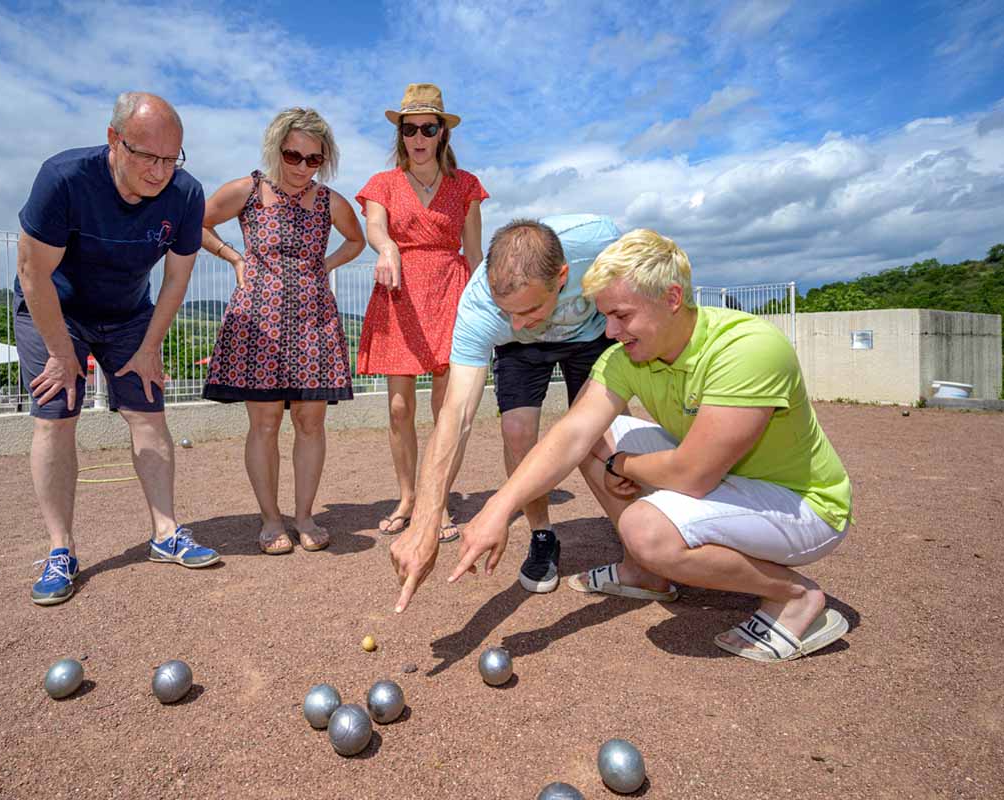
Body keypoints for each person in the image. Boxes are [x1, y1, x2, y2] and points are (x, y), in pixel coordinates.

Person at [447, 229, 853, 662]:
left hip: (803, 507)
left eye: (621, 315)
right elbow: (571, 435)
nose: (610, 331)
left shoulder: (748, 348)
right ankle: (643, 573)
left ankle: (794, 597)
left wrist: (622, 464)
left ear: (672, 298)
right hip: (728, 483)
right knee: (591, 437)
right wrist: (498, 509)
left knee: (646, 529)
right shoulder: (622, 357)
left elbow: (693, 476)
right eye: (605, 316)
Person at [17, 92, 219, 606]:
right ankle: (61, 550)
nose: (159, 171)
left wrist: (151, 346)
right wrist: (64, 356)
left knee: (148, 412)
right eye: (147, 157)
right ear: (114, 140)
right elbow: (32, 272)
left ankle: (166, 533)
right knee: (55, 414)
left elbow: (176, 281)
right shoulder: (64, 178)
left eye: (171, 158)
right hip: (54, 308)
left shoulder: (186, 194)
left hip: (129, 314)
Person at [389, 215, 619, 610]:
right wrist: (426, 523)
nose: (517, 322)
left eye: (528, 308)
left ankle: (634, 533)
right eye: (506, 311)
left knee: (603, 437)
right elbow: (456, 415)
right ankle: (542, 534)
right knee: (516, 431)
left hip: (589, 337)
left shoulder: (600, 243)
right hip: (519, 351)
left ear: (563, 277)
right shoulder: (481, 307)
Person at [201, 108, 364, 554]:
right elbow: (198, 223)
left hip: (314, 318)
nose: (301, 166)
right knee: (266, 423)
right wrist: (234, 258)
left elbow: (357, 240)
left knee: (311, 423)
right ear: (276, 149)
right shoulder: (248, 190)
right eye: (293, 154)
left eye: (313, 159)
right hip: (260, 318)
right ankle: (271, 519)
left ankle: (305, 515)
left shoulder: (332, 201)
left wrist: (326, 265)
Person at [354, 83, 488, 542]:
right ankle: (409, 496)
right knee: (398, 408)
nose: (418, 136)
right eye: (409, 128)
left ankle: (438, 499)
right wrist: (388, 247)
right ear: (401, 134)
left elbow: (474, 252)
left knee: (445, 408)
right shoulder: (381, 184)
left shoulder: (465, 185)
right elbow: (375, 228)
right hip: (399, 291)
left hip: (450, 292)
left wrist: (483, 307)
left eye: (427, 127)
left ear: (441, 134)